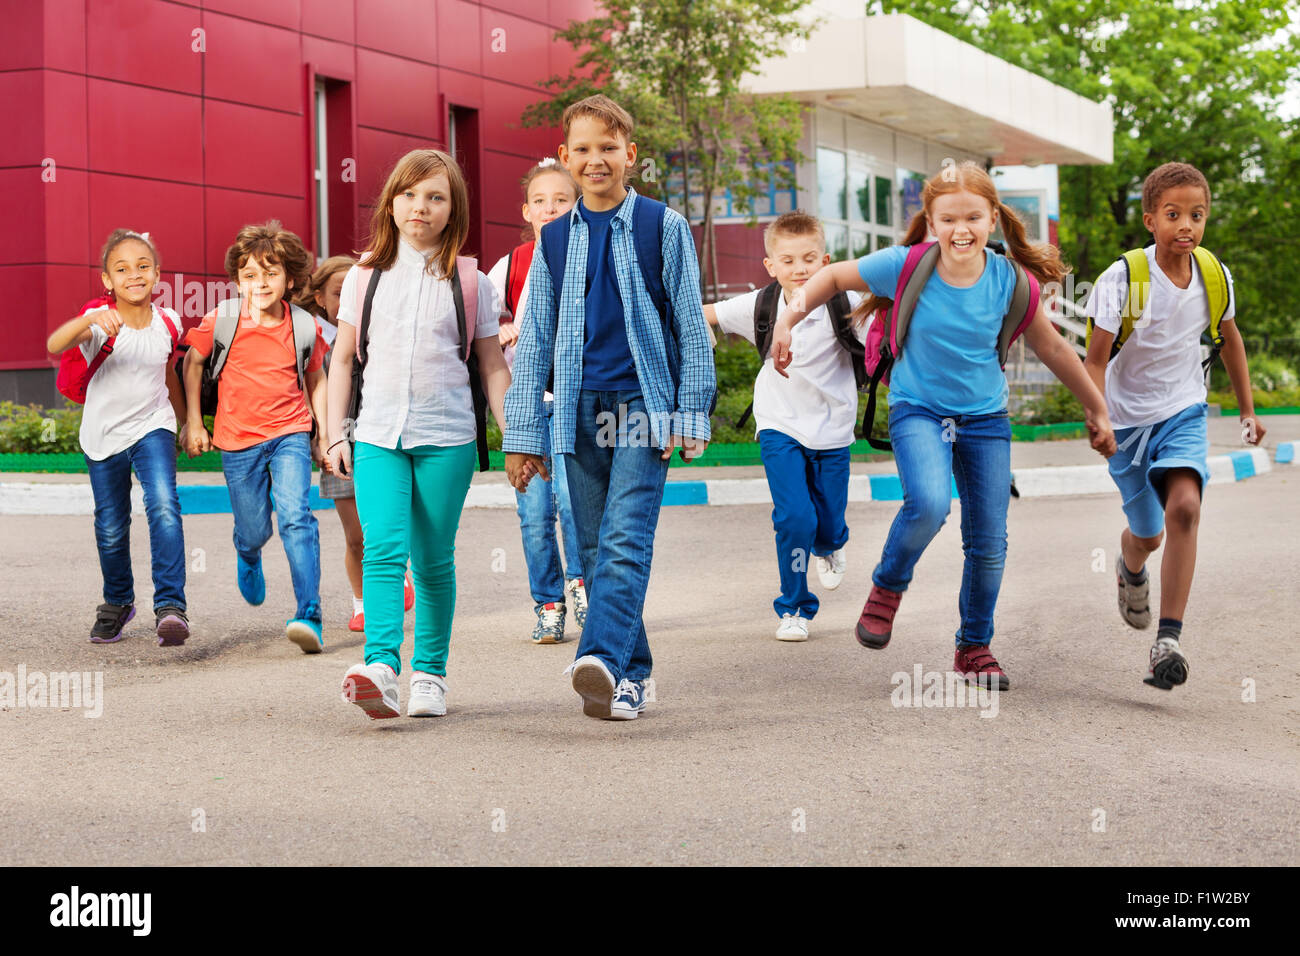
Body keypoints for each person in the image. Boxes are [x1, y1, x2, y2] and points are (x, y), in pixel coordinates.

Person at [771, 161, 1116, 690]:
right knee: (930, 504)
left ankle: (974, 646)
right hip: (919, 410)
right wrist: (788, 319)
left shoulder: (1010, 282)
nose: (961, 229)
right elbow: (834, 276)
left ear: (993, 219)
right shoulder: (906, 265)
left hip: (985, 420)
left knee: (989, 541)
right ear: (930, 223)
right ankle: (888, 585)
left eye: (973, 217)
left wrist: (1096, 407)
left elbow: (1050, 346)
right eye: (948, 218)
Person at [503, 94, 716, 720]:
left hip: (642, 404)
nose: (597, 160)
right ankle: (632, 673)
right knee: (592, 547)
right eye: (584, 150)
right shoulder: (553, 241)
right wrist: (524, 433)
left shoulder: (662, 226)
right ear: (566, 158)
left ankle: (596, 656)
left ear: (631, 156)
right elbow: (535, 335)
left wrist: (690, 412)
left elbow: (688, 326)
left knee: (625, 538)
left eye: (609, 148)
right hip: (574, 408)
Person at [326, 148, 511, 720]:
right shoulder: (364, 276)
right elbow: (341, 361)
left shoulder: (472, 279)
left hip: (448, 437)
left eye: (435, 197)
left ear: (452, 208)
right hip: (378, 435)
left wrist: (518, 436)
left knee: (432, 560)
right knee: (383, 550)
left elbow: (491, 365)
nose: (420, 207)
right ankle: (381, 667)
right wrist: (336, 435)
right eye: (409, 194)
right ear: (391, 201)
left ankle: (430, 675)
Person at [1083, 161, 1264, 691]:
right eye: (1173, 214)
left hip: (1184, 409)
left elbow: (1230, 340)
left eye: (1197, 214)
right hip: (1126, 423)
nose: (1187, 225)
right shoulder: (1125, 279)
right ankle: (1130, 565)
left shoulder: (1214, 275)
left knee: (1185, 507)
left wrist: (1247, 410)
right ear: (1150, 220)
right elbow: (1094, 358)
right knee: (1149, 535)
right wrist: (1097, 416)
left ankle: (1167, 640)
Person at [704, 210, 863, 642]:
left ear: (826, 261)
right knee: (794, 518)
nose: (800, 269)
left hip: (833, 429)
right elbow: (705, 315)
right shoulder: (761, 303)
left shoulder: (846, 303)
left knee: (827, 523)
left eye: (810, 259)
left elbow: (895, 311)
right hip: (779, 424)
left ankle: (830, 546)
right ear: (771, 267)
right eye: (788, 261)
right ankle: (794, 606)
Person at [182, 221, 329, 653]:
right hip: (237, 438)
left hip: (290, 432)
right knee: (253, 529)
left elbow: (315, 377)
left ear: (289, 278)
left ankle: (310, 614)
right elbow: (192, 364)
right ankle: (248, 553)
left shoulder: (303, 325)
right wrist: (194, 421)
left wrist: (322, 433)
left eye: (270, 273)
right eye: (249, 275)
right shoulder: (222, 319)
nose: (260, 283)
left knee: (296, 517)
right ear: (237, 279)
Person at [46, 229, 189, 645]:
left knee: (163, 504)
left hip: (153, 426)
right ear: (107, 280)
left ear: (157, 274)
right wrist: (89, 320)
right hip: (103, 436)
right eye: (122, 269)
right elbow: (54, 343)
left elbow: (167, 375)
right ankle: (117, 603)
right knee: (111, 524)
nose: (134, 275)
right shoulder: (100, 323)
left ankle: (171, 607)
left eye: (143, 266)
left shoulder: (170, 322)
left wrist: (185, 425)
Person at [486, 159, 587, 645]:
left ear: (578, 204)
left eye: (561, 200)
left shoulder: (591, 252)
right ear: (526, 211)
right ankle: (548, 602)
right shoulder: (510, 265)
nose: (551, 209)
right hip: (527, 407)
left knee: (574, 504)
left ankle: (583, 584)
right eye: (541, 202)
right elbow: (479, 323)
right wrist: (500, 328)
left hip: (576, 402)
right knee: (533, 512)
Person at [295, 256, 414, 633]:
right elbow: (309, 392)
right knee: (356, 535)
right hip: (337, 443)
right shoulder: (310, 339)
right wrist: (321, 439)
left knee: (384, 525)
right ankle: (361, 603)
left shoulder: (380, 333)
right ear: (320, 297)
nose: (349, 299)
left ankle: (401, 575)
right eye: (338, 292)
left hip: (381, 439)